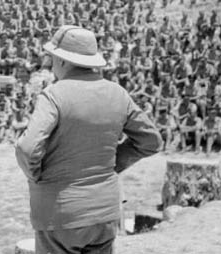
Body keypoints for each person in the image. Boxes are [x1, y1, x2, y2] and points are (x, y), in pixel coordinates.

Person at [15, 25, 162, 254]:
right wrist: (114, 163)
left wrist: (39, 176)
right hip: (105, 212)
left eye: (52, 58)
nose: (51, 64)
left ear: (63, 60)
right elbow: (151, 141)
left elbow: (26, 148)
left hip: (61, 212)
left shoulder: (54, 95)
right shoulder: (117, 93)